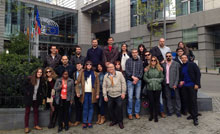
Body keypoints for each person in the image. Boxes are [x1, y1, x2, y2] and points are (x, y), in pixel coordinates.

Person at [150, 38, 171, 118]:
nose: (162, 42)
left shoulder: (167, 49)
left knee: (161, 95)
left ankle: (161, 111)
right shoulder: (155, 49)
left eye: (163, 41)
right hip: (152, 85)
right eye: (160, 41)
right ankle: (154, 113)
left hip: (165, 68)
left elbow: (162, 77)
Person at [75, 61, 100, 129]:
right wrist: (77, 92)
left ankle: (89, 122)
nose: (89, 65)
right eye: (87, 64)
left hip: (92, 93)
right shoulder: (82, 73)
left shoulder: (95, 73)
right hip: (84, 93)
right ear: (85, 65)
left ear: (92, 65)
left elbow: (97, 84)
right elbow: (77, 83)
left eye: (90, 64)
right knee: (85, 108)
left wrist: (97, 93)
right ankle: (84, 122)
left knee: (91, 108)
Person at [103, 63, 126, 129]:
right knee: (110, 108)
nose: (110, 68)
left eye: (111, 67)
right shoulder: (106, 76)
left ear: (114, 67)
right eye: (109, 67)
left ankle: (120, 121)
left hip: (118, 94)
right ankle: (114, 120)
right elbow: (104, 86)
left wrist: (123, 93)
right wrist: (105, 95)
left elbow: (123, 83)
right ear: (107, 69)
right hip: (110, 95)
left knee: (119, 107)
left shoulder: (119, 74)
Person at [179, 55, 201, 126]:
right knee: (188, 101)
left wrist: (197, 84)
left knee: (193, 101)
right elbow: (182, 76)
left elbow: (198, 74)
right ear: (181, 59)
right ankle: (192, 114)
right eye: (182, 58)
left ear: (187, 58)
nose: (184, 59)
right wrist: (181, 81)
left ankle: (195, 118)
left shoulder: (192, 64)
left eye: (185, 58)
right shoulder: (181, 66)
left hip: (192, 85)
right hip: (185, 86)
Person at [23, 68, 45, 133]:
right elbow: (23, 86)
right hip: (29, 98)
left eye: (41, 72)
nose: (39, 73)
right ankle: (26, 127)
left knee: (36, 112)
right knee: (27, 112)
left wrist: (41, 96)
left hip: (36, 98)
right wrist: (27, 92)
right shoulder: (29, 78)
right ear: (36, 72)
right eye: (38, 72)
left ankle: (36, 125)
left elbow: (41, 89)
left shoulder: (41, 80)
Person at [143, 56, 164, 122]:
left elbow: (162, 77)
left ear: (156, 61)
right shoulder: (147, 68)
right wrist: (150, 81)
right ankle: (151, 115)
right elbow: (145, 77)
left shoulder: (159, 69)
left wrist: (157, 81)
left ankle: (156, 116)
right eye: (152, 60)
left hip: (158, 87)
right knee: (151, 102)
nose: (153, 61)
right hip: (150, 87)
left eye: (154, 60)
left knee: (157, 102)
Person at [125, 49, 143, 120]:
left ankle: (136, 112)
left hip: (138, 81)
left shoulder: (140, 61)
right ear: (131, 53)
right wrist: (132, 77)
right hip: (130, 81)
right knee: (130, 98)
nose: (134, 54)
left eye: (136, 52)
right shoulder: (128, 61)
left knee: (138, 98)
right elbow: (127, 70)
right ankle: (129, 113)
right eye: (133, 52)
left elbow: (141, 71)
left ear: (137, 53)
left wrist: (137, 78)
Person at [162, 52, 181, 117]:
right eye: (167, 56)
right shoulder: (163, 64)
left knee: (177, 98)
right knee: (168, 98)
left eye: (169, 56)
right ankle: (170, 111)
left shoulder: (176, 64)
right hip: (166, 84)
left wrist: (176, 84)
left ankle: (178, 111)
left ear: (172, 57)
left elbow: (178, 75)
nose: (168, 57)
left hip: (174, 84)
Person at [175, 48, 187, 115]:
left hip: (186, 81)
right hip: (179, 81)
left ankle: (186, 109)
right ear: (177, 52)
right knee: (180, 96)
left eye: (181, 51)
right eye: (178, 51)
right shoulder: (175, 60)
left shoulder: (186, 60)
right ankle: (181, 110)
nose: (180, 52)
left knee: (185, 96)